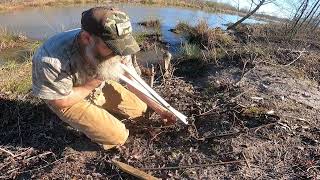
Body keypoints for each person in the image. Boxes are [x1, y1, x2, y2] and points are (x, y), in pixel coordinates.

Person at [32, 6, 176, 150]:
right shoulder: (51, 59)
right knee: (118, 137)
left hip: (97, 86)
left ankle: (97, 104)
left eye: (122, 46)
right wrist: (93, 83)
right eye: (112, 47)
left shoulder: (119, 43)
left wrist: (160, 109)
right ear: (86, 38)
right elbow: (60, 101)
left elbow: (132, 80)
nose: (119, 53)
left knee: (141, 110)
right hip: (68, 97)